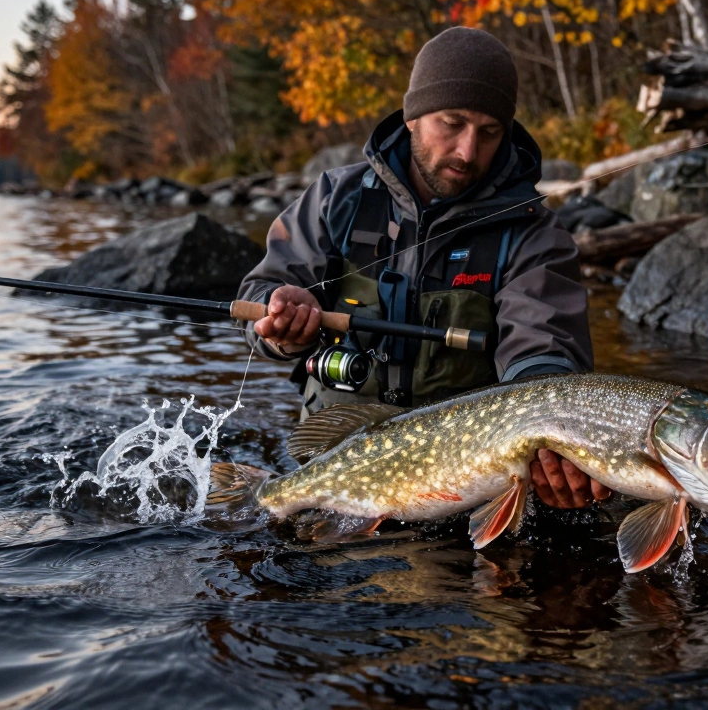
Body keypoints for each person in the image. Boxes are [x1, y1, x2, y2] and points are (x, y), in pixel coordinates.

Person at [238, 27, 607, 510]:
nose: (468, 151)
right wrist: (281, 323)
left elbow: (545, 345)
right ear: (412, 117)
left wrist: (554, 431)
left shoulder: (534, 232)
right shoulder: (335, 199)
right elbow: (263, 290)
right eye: (451, 123)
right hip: (333, 459)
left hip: (470, 479)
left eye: (490, 132)